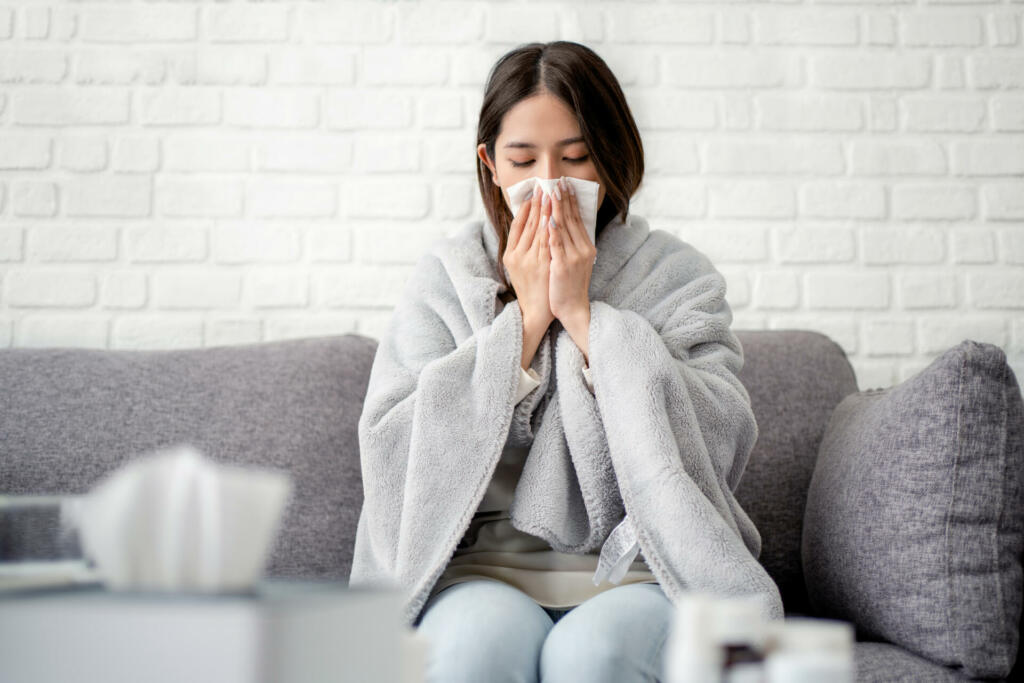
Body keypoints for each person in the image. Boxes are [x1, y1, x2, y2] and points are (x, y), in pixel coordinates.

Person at [350, 40, 775, 682]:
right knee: (473, 647)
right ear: (490, 165)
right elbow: (390, 447)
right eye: (524, 159)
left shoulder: (678, 278)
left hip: (646, 573)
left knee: (591, 656)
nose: (549, 184)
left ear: (611, 161)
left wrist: (585, 319)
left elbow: (718, 441)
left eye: (575, 158)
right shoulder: (446, 278)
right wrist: (523, 322)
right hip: (477, 576)